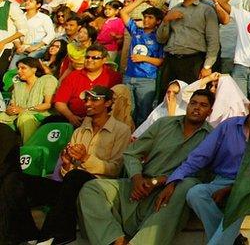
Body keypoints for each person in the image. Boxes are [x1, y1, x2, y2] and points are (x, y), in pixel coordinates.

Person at [78, 89, 215, 245]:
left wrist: (164, 181)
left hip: (171, 193)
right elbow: (131, 153)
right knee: (92, 188)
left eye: (203, 105)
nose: (196, 108)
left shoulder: (212, 137)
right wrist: (137, 178)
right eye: (193, 103)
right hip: (140, 185)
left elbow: (205, 176)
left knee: (188, 185)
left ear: (210, 111)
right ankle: (114, 241)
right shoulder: (164, 124)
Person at [3, 85, 131, 245]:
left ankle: (52, 235)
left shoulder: (122, 131)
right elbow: (68, 173)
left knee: (76, 176)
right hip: (71, 185)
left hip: (98, 187)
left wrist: (85, 158)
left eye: (94, 99)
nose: (88, 103)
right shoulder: (80, 131)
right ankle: (28, 233)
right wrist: (66, 164)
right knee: (16, 180)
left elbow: (115, 169)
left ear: (107, 103)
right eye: (87, 99)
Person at [156, 88, 250, 245]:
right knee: (195, 193)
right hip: (221, 180)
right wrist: (174, 180)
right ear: (248, 105)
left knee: (239, 199)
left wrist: (232, 189)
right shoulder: (229, 126)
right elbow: (200, 156)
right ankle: (235, 240)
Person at [157, 0, 220, 88]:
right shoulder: (175, 9)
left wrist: (207, 66)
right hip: (171, 59)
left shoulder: (207, 10)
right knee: (166, 98)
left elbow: (213, 40)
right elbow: (161, 38)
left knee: (188, 96)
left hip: (193, 60)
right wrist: (166, 20)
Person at [52, 43, 122, 127]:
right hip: (75, 122)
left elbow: (118, 104)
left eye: (95, 58)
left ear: (104, 60)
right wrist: (71, 117)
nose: (89, 60)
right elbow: (59, 102)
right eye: (87, 57)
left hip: (103, 123)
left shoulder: (113, 77)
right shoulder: (73, 76)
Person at [0, 57, 57, 141]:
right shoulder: (18, 86)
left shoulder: (47, 80)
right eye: (18, 68)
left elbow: (48, 104)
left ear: (34, 69)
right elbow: (13, 105)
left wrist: (24, 110)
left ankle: (28, 150)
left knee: (25, 117)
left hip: (41, 116)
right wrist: (9, 110)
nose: (19, 71)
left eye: (23, 68)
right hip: (18, 116)